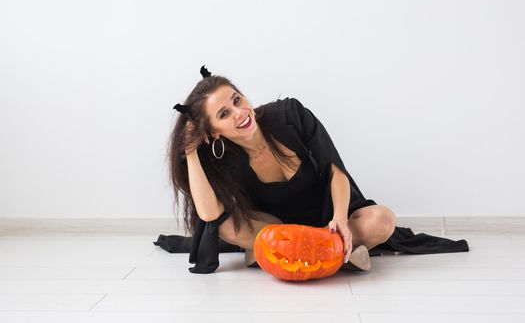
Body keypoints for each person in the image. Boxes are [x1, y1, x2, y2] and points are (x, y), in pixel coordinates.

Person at [161, 65, 468, 274]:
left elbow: (336, 171)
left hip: (329, 221)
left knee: (382, 221)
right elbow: (210, 215)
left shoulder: (289, 114)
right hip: (279, 231)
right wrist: (190, 150)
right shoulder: (221, 159)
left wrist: (339, 219)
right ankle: (337, 258)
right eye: (225, 114)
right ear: (212, 132)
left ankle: (312, 253)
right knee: (227, 227)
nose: (241, 113)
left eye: (237, 99)